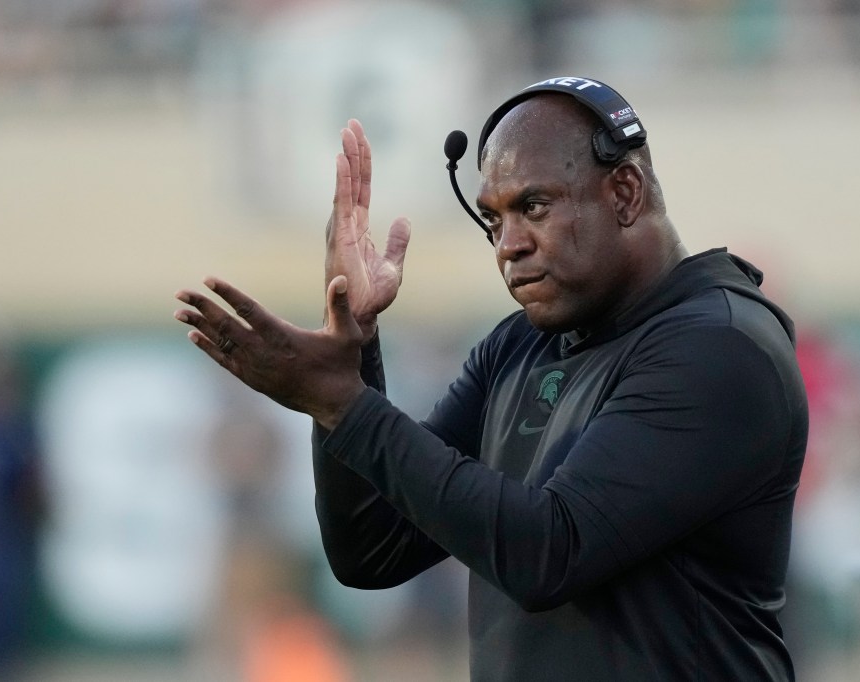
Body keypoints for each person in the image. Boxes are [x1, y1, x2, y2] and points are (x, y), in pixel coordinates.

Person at [174, 77, 809, 680]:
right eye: (494, 218)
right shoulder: (521, 343)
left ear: (624, 193)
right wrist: (354, 357)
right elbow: (372, 550)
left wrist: (344, 405)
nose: (508, 243)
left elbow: (549, 553)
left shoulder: (720, 346)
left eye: (532, 206)